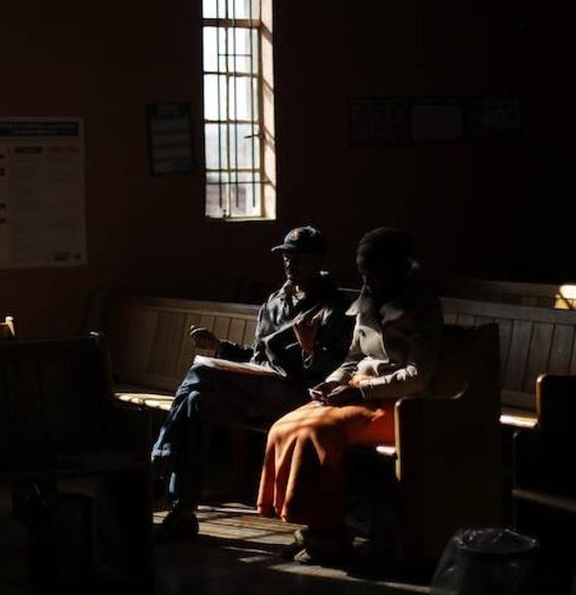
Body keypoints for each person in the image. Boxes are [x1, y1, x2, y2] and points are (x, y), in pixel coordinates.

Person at [151, 225, 354, 542]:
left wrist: (309, 347)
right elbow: (258, 357)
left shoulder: (334, 306)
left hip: (298, 396)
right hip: (259, 388)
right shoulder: (275, 301)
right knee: (195, 402)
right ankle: (183, 511)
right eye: (286, 257)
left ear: (318, 261)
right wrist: (220, 348)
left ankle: (159, 460)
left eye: (299, 258)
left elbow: (336, 369)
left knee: (201, 376)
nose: (290, 264)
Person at [256, 227, 443, 566]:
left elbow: (418, 375)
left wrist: (358, 389)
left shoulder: (422, 306)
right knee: (286, 425)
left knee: (318, 432)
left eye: (373, 271)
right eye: (363, 272)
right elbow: (353, 358)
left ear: (395, 268)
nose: (366, 278)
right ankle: (314, 524)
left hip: (399, 404)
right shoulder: (367, 300)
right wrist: (331, 382)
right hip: (358, 392)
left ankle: (328, 533)